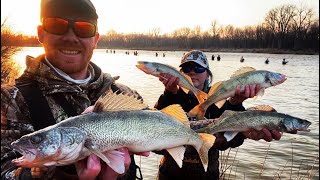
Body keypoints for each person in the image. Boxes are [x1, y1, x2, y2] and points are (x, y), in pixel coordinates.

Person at [1, 0, 146, 179]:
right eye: (57, 25)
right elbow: (4, 170)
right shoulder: (10, 99)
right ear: (41, 33)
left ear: (96, 39)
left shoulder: (122, 93)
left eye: (84, 28)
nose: (70, 37)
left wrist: (173, 96)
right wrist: (42, 174)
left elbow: (171, 135)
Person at [154, 50, 288, 180]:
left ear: (207, 74)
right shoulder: (169, 99)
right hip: (169, 175)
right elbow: (154, 142)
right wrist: (169, 94)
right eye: (187, 68)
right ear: (180, 74)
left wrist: (235, 103)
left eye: (198, 68)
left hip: (208, 176)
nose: (192, 71)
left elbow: (233, 141)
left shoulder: (218, 102)